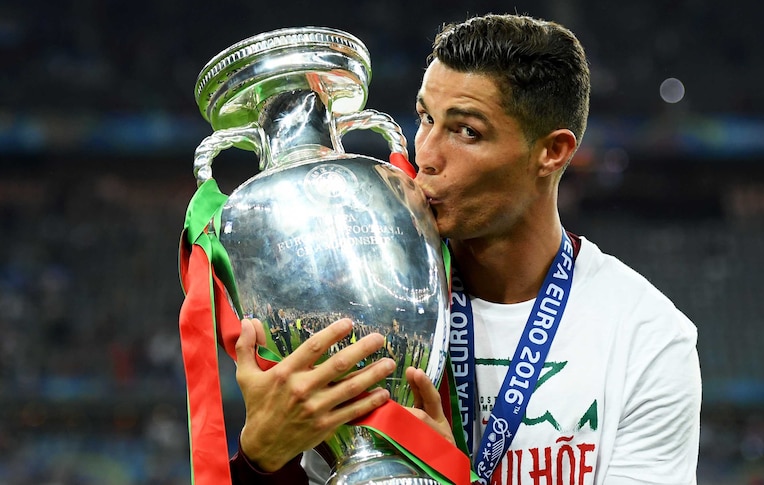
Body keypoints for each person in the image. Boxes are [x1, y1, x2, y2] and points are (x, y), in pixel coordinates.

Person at [229, 13, 701, 485]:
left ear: (552, 152)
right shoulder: (360, 294)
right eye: (425, 119)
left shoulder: (646, 339)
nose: (426, 156)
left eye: (466, 132)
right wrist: (261, 460)